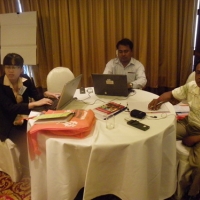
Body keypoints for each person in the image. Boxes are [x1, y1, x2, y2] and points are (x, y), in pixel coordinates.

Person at [0, 53, 59, 176]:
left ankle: (46, 161)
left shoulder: (25, 80)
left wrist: (47, 95)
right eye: (8, 67)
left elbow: (36, 96)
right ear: (4, 68)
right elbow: (10, 108)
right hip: (7, 121)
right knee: (26, 139)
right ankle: (27, 166)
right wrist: (33, 105)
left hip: (25, 115)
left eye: (15, 67)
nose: (11, 70)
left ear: (21, 69)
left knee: (45, 127)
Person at [148, 61, 200, 199]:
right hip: (189, 123)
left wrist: (196, 138)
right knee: (160, 132)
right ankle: (154, 174)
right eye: (199, 73)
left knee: (199, 165)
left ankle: (192, 194)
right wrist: (158, 100)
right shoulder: (192, 86)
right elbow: (171, 94)